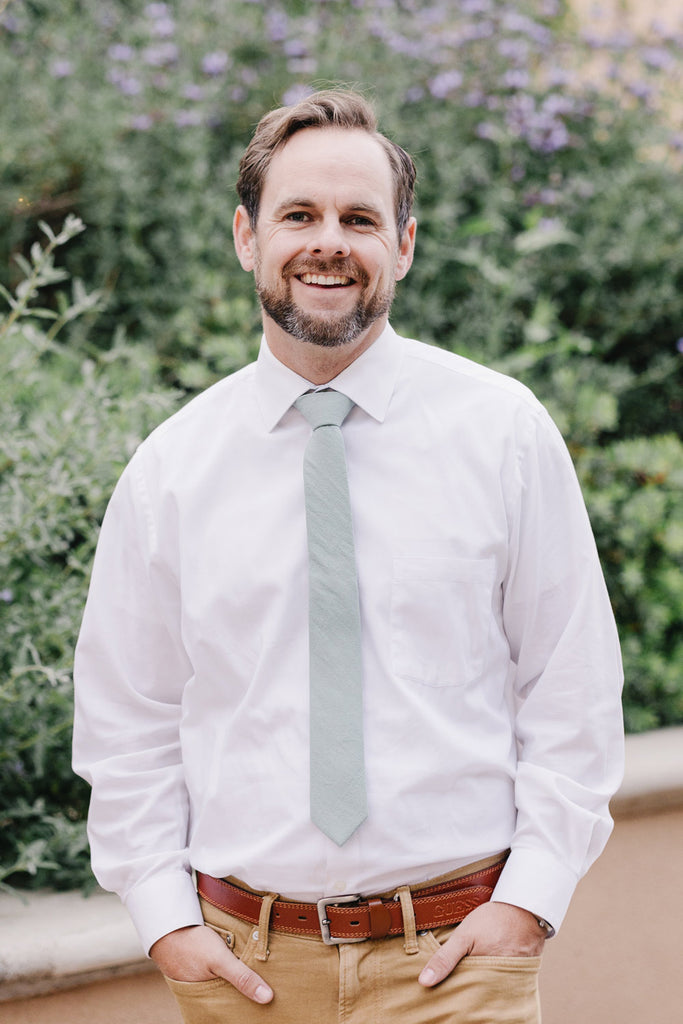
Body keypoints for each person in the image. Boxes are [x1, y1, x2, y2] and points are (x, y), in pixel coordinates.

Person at [72, 88, 624, 1024]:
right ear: (246, 237)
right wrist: (165, 922)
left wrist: (529, 902)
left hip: (457, 966)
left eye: (358, 219)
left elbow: (570, 681)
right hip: (244, 973)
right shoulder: (172, 470)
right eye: (298, 215)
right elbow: (129, 718)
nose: (327, 243)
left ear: (402, 245)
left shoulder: (502, 433)